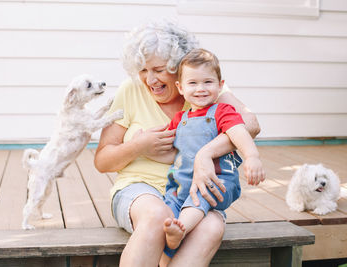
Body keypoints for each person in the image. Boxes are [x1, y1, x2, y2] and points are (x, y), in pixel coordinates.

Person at [94, 20, 262, 267]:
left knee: (213, 226)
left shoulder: (202, 87)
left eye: (159, 69)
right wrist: (140, 146)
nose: (150, 79)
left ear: (180, 68)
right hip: (141, 190)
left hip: (194, 193)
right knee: (157, 215)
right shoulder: (130, 90)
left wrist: (205, 154)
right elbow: (102, 160)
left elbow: (251, 124)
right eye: (142, 70)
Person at [161, 48, 266, 252]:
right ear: (180, 87)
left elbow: (239, 132)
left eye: (208, 82)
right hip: (182, 185)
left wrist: (252, 156)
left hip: (217, 182)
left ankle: (181, 231)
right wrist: (143, 144)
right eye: (193, 83)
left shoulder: (223, 111)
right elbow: (165, 148)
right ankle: (172, 237)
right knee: (167, 209)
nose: (200, 88)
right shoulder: (179, 120)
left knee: (199, 197)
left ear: (221, 85)